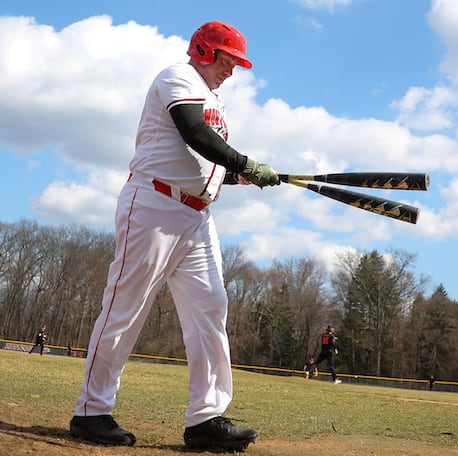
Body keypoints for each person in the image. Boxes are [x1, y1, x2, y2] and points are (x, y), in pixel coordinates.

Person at [69, 21, 278, 451]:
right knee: (125, 307)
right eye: (227, 60)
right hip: (154, 206)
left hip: (198, 217)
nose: (232, 71)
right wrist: (244, 161)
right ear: (204, 51)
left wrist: (242, 175)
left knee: (210, 309)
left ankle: (205, 417)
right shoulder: (176, 77)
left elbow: (205, 161)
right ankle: (92, 411)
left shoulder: (215, 99)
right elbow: (192, 132)